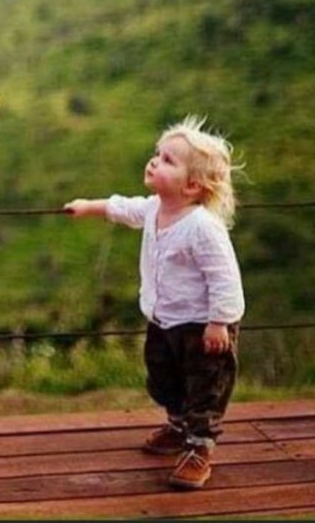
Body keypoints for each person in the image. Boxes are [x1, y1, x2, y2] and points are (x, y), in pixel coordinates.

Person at [64, 115, 244, 491]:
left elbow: (225, 279)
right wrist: (88, 206)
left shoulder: (202, 227)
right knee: (162, 378)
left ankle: (199, 447)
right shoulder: (154, 210)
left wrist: (219, 323)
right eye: (157, 154)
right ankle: (178, 427)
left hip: (202, 326)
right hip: (163, 320)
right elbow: (123, 208)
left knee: (205, 387)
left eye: (167, 161)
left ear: (192, 185)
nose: (154, 161)